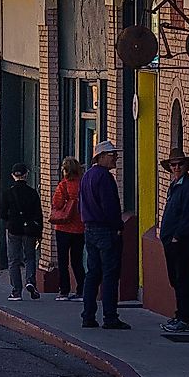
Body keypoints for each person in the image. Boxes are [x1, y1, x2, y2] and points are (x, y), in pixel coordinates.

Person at [78, 141, 128, 330]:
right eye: (111, 155)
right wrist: (117, 226)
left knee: (92, 274)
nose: (115, 157)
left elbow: (81, 203)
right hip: (105, 231)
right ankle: (110, 316)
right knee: (109, 275)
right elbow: (110, 207)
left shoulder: (87, 176)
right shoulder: (105, 177)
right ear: (100, 157)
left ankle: (88, 316)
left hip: (89, 229)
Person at [155, 154, 189, 333]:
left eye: (179, 164)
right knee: (175, 279)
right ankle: (180, 314)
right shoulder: (175, 185)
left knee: (183, 279)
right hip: (170, 240)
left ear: (186, 166)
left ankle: (185, 319)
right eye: (173, 165)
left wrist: (177, 236)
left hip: (180, 242)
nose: (176, 167)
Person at [0, 162, 45, 300]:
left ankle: (16, 291)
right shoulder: (32, 193)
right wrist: (39, 232)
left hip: (13, 229)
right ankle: (30, 281)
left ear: (13, 176)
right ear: (26, 175)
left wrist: (10, 221)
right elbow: (38, 214)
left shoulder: (8, 193)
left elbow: (2, 214)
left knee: (13, 260)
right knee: (30, 257)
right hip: (29, 229)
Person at [48, 157, 85, 301]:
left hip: (63, 227)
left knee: (63, 261)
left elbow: (56, 204)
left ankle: (64, 290)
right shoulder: (82, 184)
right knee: (77, 260)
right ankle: (81, 289)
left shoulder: (63, 185)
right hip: (80, 227)